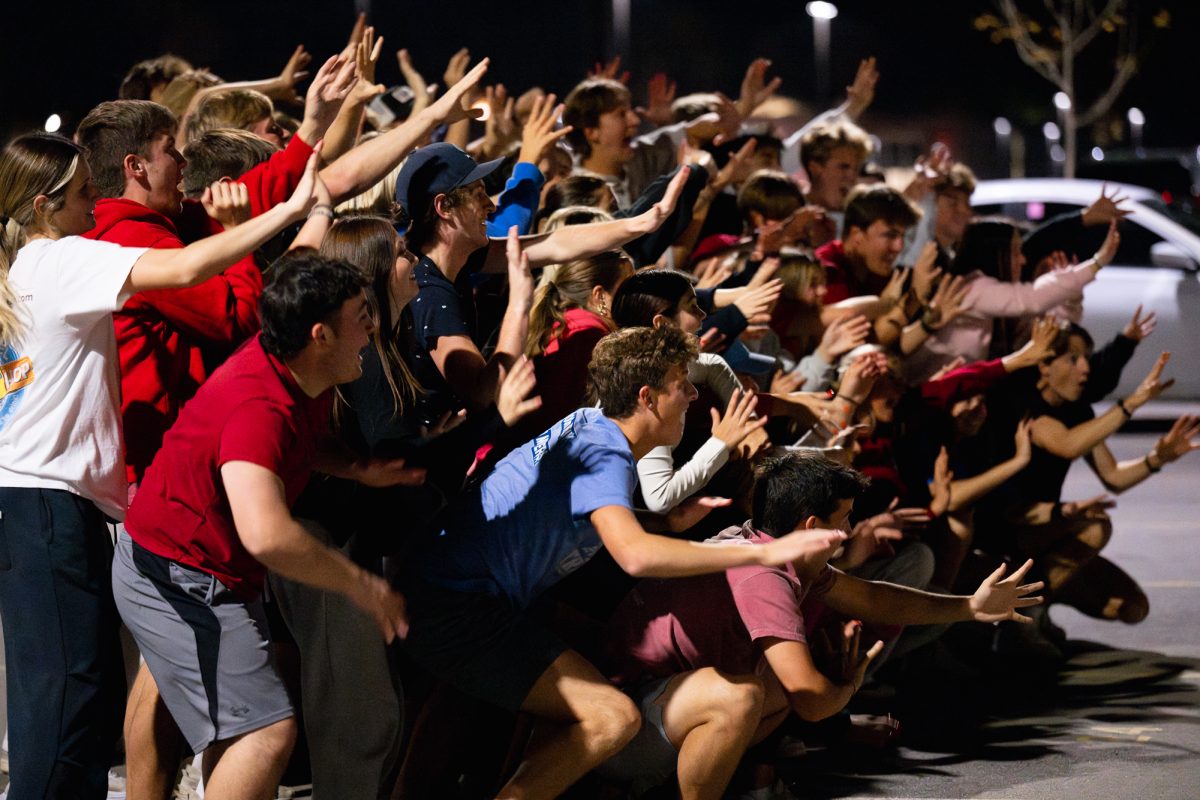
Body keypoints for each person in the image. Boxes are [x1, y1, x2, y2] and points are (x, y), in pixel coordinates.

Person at [0, 131, 320, 800]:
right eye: (86, 192)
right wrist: (281, 217)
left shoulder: (30, 267)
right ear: (42, 207)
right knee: (66, 707)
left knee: (72, 704)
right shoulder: (58, 259)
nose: (98, 201)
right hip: (48, 510)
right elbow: (184, 271)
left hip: (39, 507)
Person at [401, 324, 840, 800]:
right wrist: (763, 551)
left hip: (461, 597)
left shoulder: (591, 424)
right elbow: (633, 556)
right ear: (647, 397)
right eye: (682, 383)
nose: (693, 393)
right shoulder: (604, 448)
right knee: (612, 716)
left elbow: (600, 526)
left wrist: (664, 527)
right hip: (454, 604)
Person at [112, 250, 425, 800]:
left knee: (210, 716)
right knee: (264, 732)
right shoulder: (259, 404)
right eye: (362, 314)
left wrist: (356, 468)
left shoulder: (296, 367)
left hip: (184, 565)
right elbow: (267, 533)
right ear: (320, 334)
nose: (372, 327)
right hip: (175, 574)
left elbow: (295, 447)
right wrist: (362, 587)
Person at [602, 452, 1044, 798]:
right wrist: (848, 686)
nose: (850, 529)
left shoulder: (772, 547)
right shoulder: (763, 576)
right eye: (845, 518)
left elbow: (872, 597)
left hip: (657, 708)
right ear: (812, 525)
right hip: (626, 729)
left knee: (771, 688)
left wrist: (970, 606)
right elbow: (813, 701)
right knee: (749, 694)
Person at [394, 142, 692, 429]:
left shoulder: (463, 258)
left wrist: (642, 223)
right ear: (444, 207)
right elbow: (482, 393)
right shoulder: (428, 292)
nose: (489, 206)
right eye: (477, 194)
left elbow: (556, 244)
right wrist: (519, 305)